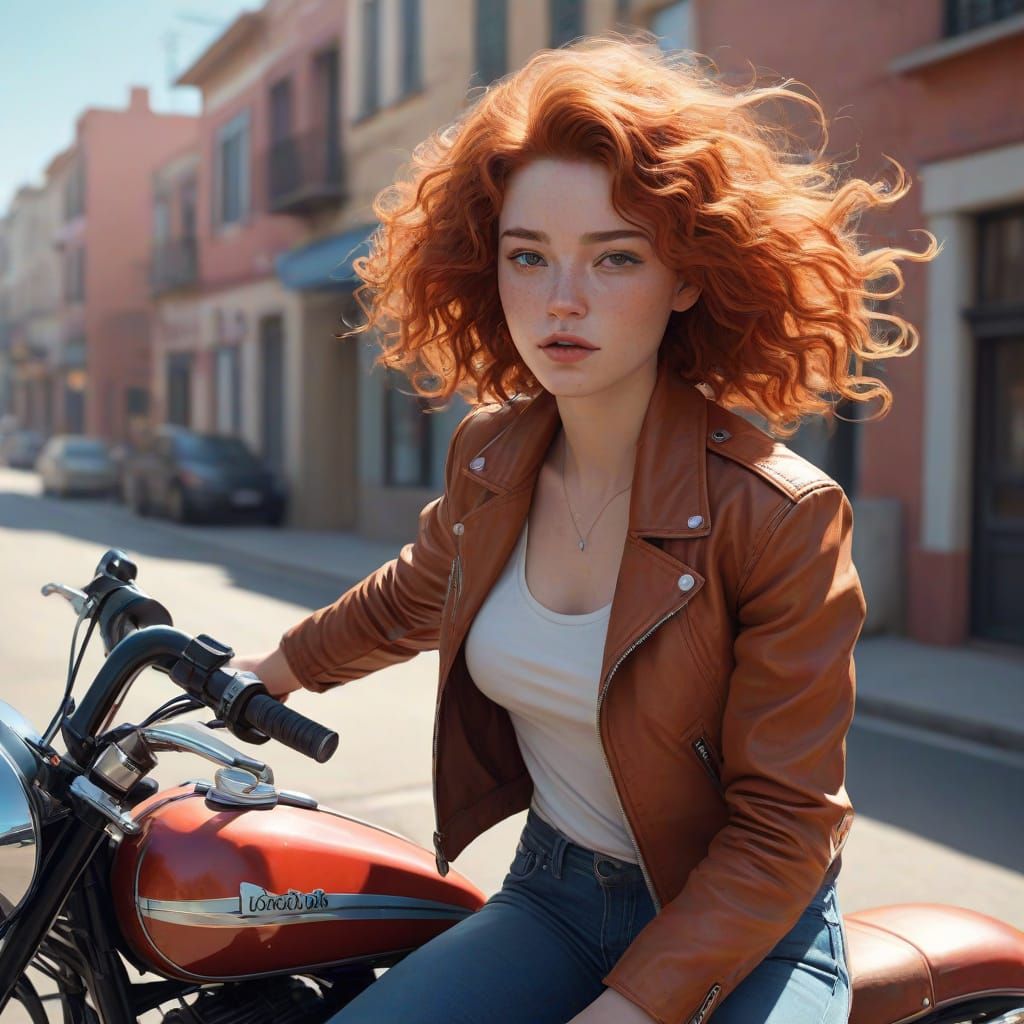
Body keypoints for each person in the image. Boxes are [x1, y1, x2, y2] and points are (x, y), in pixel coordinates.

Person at [230, 32, 940, 1024]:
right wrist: (271, 670)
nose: (562, 300)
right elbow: (418, 589)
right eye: (529, 257)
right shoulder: (492, 456)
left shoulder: (779, 513)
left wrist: (635, 1006)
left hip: (748, 928)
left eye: (614, 258)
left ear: (686, 277)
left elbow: (785, 829)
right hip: (557, 896)